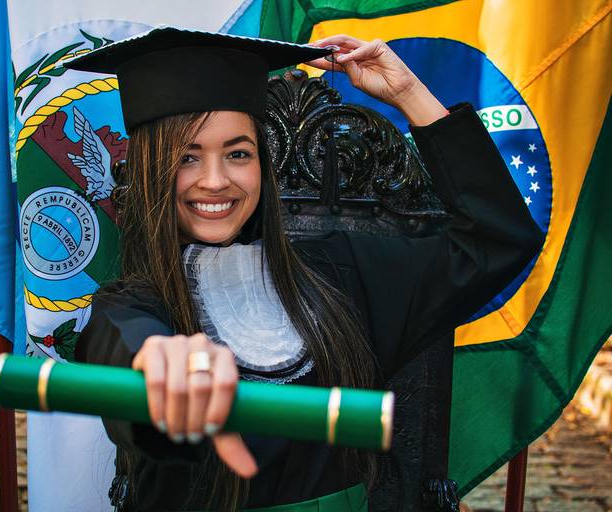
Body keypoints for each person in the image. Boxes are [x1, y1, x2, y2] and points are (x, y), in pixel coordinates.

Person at [69, 26, 543, 511]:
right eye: (187, 157)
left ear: (262, 165)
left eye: (238, 154)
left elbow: (498, 239)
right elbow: (130, 360)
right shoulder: (126, 310)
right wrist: (158, 373)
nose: (215, 181)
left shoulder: (346, 271)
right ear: (151, 170)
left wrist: (408, 94)